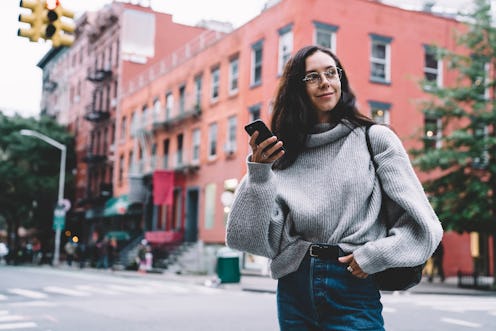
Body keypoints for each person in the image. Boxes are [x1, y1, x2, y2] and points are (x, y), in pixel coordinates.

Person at [226, 45, 443, 331]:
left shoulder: (374, 139)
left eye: (331, 73)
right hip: (294, 287)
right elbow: (245, 238)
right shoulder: (283, 153)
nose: (325, 82)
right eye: (312, 77)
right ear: (297, 89)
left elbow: (424, 227)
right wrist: (259, 173)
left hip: (352, 284)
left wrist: (374, 256)